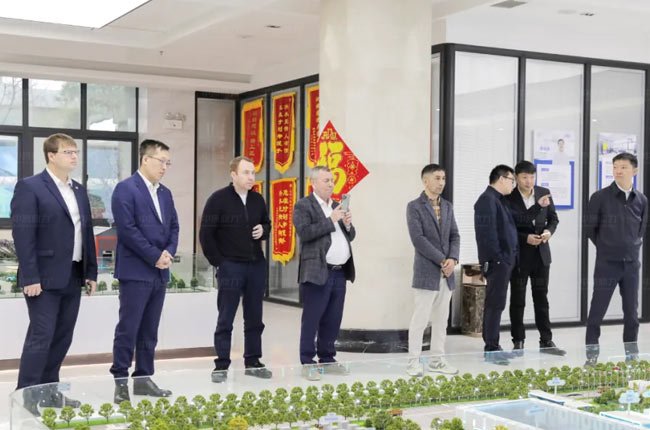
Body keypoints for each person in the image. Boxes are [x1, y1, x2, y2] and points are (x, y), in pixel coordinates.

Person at [11, 133, 97, 416]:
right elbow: (23, 236)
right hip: (43, 278)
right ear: (51, 155)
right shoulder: (30, 187)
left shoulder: (79, 190)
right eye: (68, 152)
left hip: (73, 274)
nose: (74, 157)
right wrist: (30, 277)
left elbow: (86, 232)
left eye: (76, 152)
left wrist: (91, 271)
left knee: (62, 337)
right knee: (41, 336)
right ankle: (26, 395)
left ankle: (49, 392)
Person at [110, 139, 179, 403]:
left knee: (150, 329)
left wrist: (168, 252)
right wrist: (154, 256)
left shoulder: (165, 193)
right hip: (135, 271)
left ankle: (143, 378)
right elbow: (127, 230)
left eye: (168, 163)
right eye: (162, 161)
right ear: (145, 159)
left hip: (160, 272)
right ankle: (120, 381)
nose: (165, 167)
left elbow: (174, 226)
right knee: (129, 328)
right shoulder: (126, 189)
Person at [199, 156, 273, 383]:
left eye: (253, 173)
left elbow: (267, 223)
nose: (251, 177)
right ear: (233, 175)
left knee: (255, 317)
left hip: (256, 265)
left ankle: (253, 361)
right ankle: (221, 364)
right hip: (230, 266)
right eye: (246, 173)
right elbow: (206, 234)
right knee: (226, 318)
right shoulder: (218, 199)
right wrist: (220, 263)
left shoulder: (257, 199)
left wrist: (264, 230)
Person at [584, 152, 647, 367]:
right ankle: (591, 357)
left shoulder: (641, 200)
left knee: (631, 314)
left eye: (623, 167)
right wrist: (607, 248)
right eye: (615, 167)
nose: (618, 171)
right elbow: (590, 229)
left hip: (631, 266)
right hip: (607, 265)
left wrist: (631, 248)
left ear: (634, 171)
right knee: (596, 313)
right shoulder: (600, 197)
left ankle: (632, 357)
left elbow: (641, 229)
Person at [294, 166, 355, 381]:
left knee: (333, 318)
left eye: (332, 180)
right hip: (317, 271)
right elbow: (305, 233)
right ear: (314, 183)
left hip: (339, 273)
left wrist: (347, 224)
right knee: (312, 319)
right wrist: (331, 220)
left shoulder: (337, 205)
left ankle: (327, 358)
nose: (331, 184)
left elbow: (351, 236)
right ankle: (307, 361)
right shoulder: (304, 205)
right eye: (326, 180)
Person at [505, 161, 565, 356]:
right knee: (518, 300)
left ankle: (546, 341)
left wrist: (548, 232)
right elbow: (508, 227)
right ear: (516, 178)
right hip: (520, 256)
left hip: (541, 255)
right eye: (524, 177)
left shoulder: (543, 192)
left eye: (532, 177)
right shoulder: (509, 197)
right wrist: (525, 238)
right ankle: (518, 341)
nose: (529, 181)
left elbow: (554, 219)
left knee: (541, 299)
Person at [406, 164, 460, 377]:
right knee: (420, 320)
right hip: (427, 272)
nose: (441, 182)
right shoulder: (414, 206)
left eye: (443, 178)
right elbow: (418, 239)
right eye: (437, 178)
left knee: (441, 320)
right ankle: (413, 361)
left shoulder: (447, 206)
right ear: (425, 180)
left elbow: (455, 235)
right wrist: (442, 260)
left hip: (447, 274)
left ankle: (437, 360)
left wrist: (453, 259)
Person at [474, 165, 518, 365]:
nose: (513, 185)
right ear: (501, 179)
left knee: (498, 304)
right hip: (497, 262)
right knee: (494, 304)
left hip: (504, 261)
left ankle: (494, 345)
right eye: (511, 180)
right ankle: (491, 348)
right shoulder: (487, 200)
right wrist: (498, 258)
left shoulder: (499, 200)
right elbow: (487, 234)